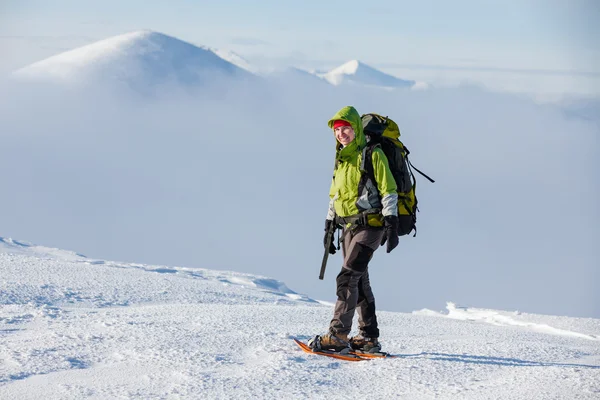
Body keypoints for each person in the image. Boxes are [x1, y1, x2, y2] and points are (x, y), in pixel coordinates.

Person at [315, 105, 399, 353]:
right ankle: (369, 338)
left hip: (371, 226)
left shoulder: (372, 154)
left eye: (347, 129)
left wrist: (391, 224)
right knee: (359, 280)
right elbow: (335, 195)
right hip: (347, 226)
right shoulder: (342, 158)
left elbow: (388, 189)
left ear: (357, 130)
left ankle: (338, 335)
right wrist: (329, 226)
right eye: (338, 130)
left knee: (347, 278)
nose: (342, 134)